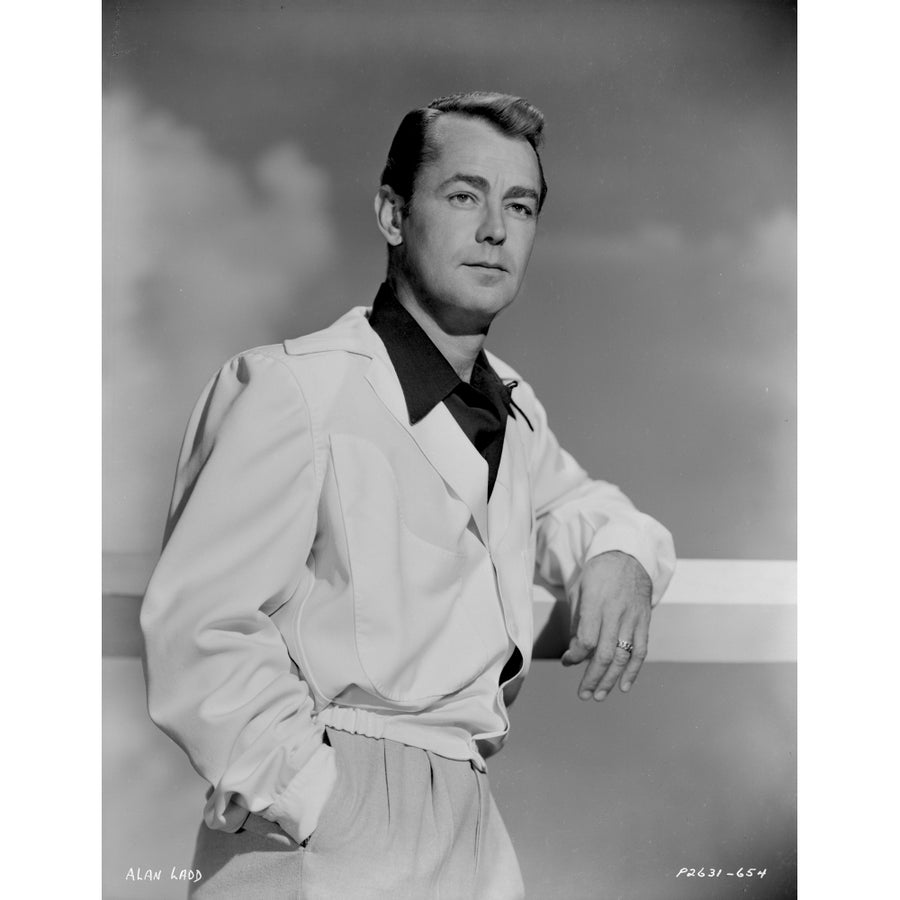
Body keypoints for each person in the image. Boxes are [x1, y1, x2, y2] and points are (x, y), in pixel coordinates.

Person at [140, 91, 676, 899]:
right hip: (322, 822)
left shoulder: (513, 411)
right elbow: (200, 624)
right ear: (393, 214)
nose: (496, 229)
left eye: (520, 205)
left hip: (470, 820)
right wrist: (320, 799)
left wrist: (624, 553)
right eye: (464, 196)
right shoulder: (294, 387)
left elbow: (582, 508)